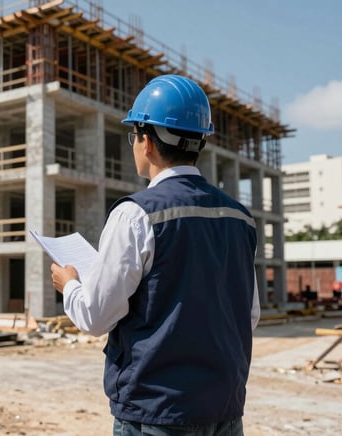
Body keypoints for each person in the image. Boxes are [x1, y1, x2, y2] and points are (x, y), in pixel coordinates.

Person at [51, 74, 260, 436]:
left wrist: (70, 285)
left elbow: (95, 316)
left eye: (133, 135)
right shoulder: (239, 217)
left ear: (146, 140)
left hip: (155, 414)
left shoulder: (136, 214)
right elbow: (249, 315)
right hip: (224, 410)